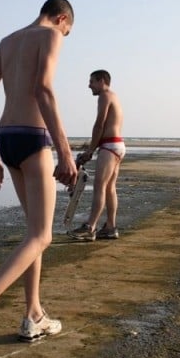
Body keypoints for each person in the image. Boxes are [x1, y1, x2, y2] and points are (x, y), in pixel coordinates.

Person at [0, 0, 78, 355]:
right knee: (42, 235)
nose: (64, 36)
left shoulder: (7, 41)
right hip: (34, 139)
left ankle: (33, 315)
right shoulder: (50, 35)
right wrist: (65, 153)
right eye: (67, 31)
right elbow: (44, 90)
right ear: (62, 18)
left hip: (7, 139)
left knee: (33, 233)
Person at [69, 69, 125, 242]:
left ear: (101, 81)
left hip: (109, 146)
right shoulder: (114, 96)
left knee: (100, 187)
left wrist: (90, 151)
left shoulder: (105, 96)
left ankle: (90, 227)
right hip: (117, 145)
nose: (89, 85)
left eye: (92, 81)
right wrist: (92, 147)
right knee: (110, 188)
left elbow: (99, 125)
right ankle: (110, 227)